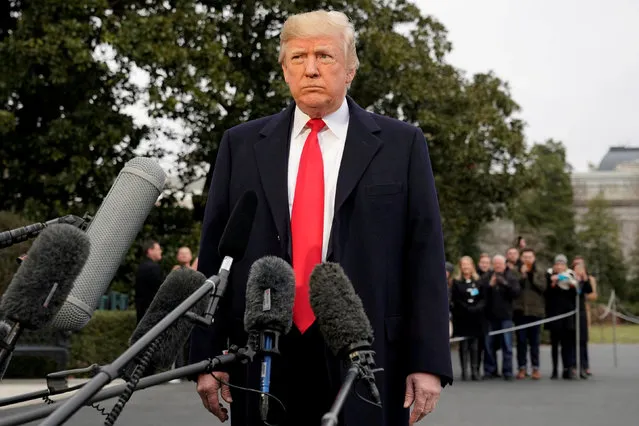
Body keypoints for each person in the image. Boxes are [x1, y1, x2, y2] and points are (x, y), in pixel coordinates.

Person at [189, 10, 452, 426]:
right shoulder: (240, 146)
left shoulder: (402, 145)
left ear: (350, 68)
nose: (310, 68)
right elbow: (215, 258)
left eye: (324, 56)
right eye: (298, 57)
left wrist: (429, 360)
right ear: (284, 68)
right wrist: (207, 354)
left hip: (367, 351)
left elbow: (425, 257)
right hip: (262, 350)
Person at [482, 255, 520, 380]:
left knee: (507, 345)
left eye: (500, 264)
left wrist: (505, 284)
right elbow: (482, 294)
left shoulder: (511, 277)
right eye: (496, 263)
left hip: (506, 317)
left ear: (505, 264)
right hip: (490, 317)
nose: (498, 266)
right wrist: (490, 286)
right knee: (489, 345)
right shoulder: (487, 276)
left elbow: (516, 293)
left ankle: (507, 371)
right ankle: (490, 370)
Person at [513, 248, 546, 380]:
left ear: (534, 258)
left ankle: (535, 368)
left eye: (529, 257)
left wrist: (531, 275)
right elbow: (513, 288)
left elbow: (542, 287)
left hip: (535, 311)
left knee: (534, 342)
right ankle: (522, 367)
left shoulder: (540, 272)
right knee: (521, 341)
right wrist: (522, 276)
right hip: (520, 311)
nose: (527, 259)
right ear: (521, 258)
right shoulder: (516, 272)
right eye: (525, 257)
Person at [450, 256, 486, 381]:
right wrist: (466, 308)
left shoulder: (479, 281)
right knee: (464, 345)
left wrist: (476, 308)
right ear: (460, 267)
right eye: (463, 264)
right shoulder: (456, 282)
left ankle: (475, 370)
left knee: (475, 346)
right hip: (463, 317)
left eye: (468, 264)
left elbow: (483, 298)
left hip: (476, 318)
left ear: (472, 266)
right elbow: (456, 299)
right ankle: (465, 371)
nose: (466, 267)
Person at [545, 254, 578, 380]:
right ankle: (554, 370)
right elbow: (546, 293)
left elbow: (576, 294)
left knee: (567, 343)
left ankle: (567, 368)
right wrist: (553, 283)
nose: (559, 266)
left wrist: (572, 285)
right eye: (557, 264)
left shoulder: (571, 276)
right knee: (554, 344)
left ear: (565, 266)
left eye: (562, 264)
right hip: (554, 314)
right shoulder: (549, 275)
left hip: (567, 315)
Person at [573, 259, 596, 378]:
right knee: (572, 340)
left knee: (583, 339)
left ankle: (584, 365)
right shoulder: (570, 278)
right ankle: (573, 366)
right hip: (571, 313)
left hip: (582, 311)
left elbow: (591, 292)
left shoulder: (586, 280)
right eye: (576, 266)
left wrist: (584, 278)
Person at [134, 239, 163, 325]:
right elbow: (161, 288)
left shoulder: (142, 266)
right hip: (152, 313)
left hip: (142, 311)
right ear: (150, 251)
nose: (160, 251)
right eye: (158, 249)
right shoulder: (153, 268)